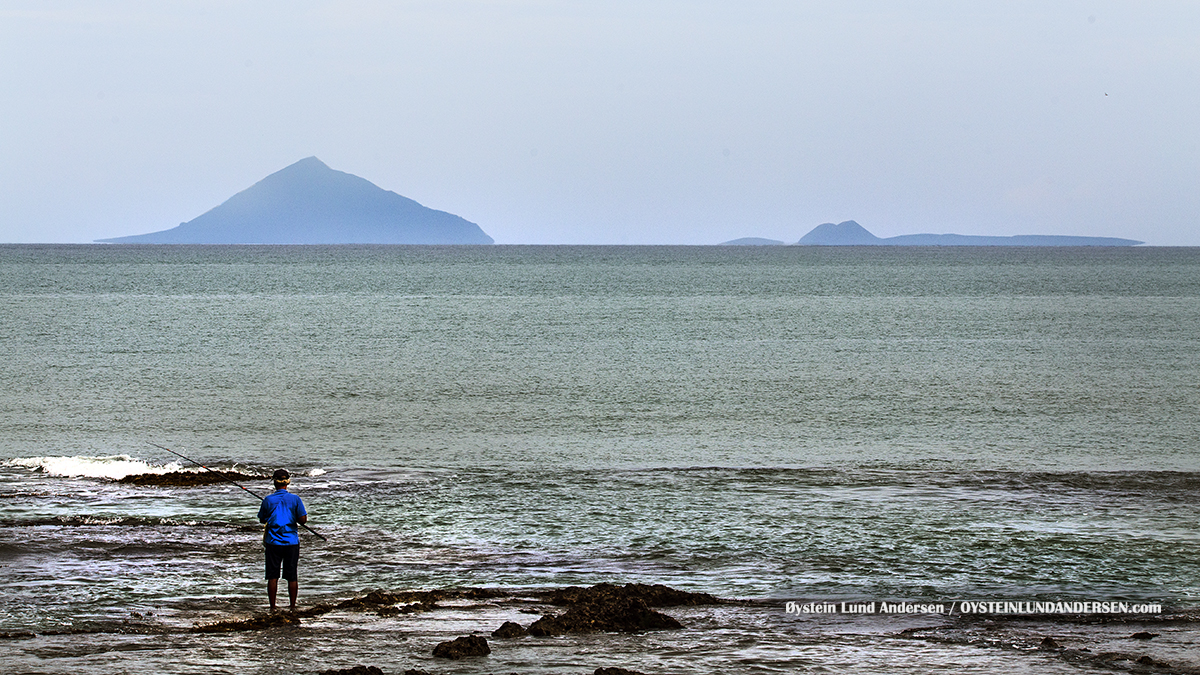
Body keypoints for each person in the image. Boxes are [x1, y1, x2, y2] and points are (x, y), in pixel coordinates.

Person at [258, 468, 308, 611]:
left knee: (272, 576)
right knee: (292, 576)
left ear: (274, 482)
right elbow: (303, 520)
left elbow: (262, 519)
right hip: (291, 542)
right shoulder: (295, 499)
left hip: (273, 542)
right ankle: (292, 606)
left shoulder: (268, 500)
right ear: (288, 482)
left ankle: (273, 607)